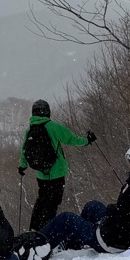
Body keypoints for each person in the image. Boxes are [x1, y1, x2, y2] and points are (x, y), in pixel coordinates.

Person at [40, 140, 130, 254]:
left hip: (110, 240)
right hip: (115, 230)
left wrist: (111, 211)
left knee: (66, 219)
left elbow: (129, 217)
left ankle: (38, 245)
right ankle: (74, 242)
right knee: (92, 206)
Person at [17, 99, 97, 233]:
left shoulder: (30, 128)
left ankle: (34, 229)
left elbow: (24, 149)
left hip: (41, 174)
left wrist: (22, 165)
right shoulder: (53, 126)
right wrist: (87, 140)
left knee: (41, 201)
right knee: (52, 204)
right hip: (57, 173)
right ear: (47, 112)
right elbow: (72, 139)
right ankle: (47, 232)